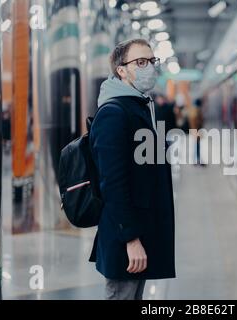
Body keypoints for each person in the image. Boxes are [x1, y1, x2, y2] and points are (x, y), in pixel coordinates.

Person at [89, 39, 176, 300]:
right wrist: (131, 239)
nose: (149, 67)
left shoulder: (138, 106)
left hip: (139, 230)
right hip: (125, 237)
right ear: (121, 70)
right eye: (140, 62)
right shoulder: (114, 112)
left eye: (151, 61)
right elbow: (112, 183)